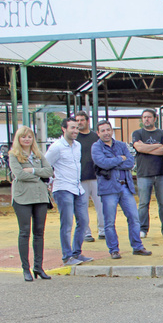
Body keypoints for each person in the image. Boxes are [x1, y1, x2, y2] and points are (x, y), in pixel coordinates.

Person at [92, 120, 152, 259]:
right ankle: (113, 249)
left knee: (134, 218)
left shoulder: (121, 144)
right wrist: (120, 159)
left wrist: (112, 162)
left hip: (125, 186)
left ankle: (137, 246)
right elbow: (101, 163)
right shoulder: (96, 147)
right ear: (98, 133)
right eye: (103, 130)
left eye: (108, 129)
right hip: (108, 188)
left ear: (112, 130)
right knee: (109, 222)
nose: (106, 133)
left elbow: (130, 162)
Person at [45, 117, 92, 266]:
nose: (75, 131)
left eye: (77, 128)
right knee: (67, 224)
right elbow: (46, 166)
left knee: (83, 221)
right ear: (63, 129)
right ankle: (67, 256)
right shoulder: (56, 147)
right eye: (72, 128)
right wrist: (50, 181)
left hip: (77, 188)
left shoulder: (77, 145)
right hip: (63, 188)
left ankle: (76, 253)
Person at [9, 126, 54, 281]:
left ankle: (38, 267)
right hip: (22, 197)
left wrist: (33, 171)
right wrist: (38, 174)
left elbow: (49, 171)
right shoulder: (14, 155)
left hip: (40, 196)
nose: (26, 139)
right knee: (24, 231)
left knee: (39, 232)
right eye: (23, 137)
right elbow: (19, 174)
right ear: (18, 139)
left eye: (29, 137)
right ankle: (25, 268)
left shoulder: (38, 154)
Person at [132, 108, 163, 238]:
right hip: (144, 174)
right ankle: (142, 229)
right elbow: (139, 147)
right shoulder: (137, 133)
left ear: (155, 119)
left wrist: (146, 149)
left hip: (161, 173)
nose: (146, 119)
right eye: (144, 117)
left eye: (149, 117)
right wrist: (157, 146)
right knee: (143, 203)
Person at [74, 110, 104, 242]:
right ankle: (86, 232)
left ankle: (103, 230)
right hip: (80, 178)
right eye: (77, 120)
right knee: (82, 207)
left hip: (97, 177)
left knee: (101, 206)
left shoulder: (96, 137)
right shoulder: (74, 138)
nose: (79, 123)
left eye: (82, 120)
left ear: (87, 121)